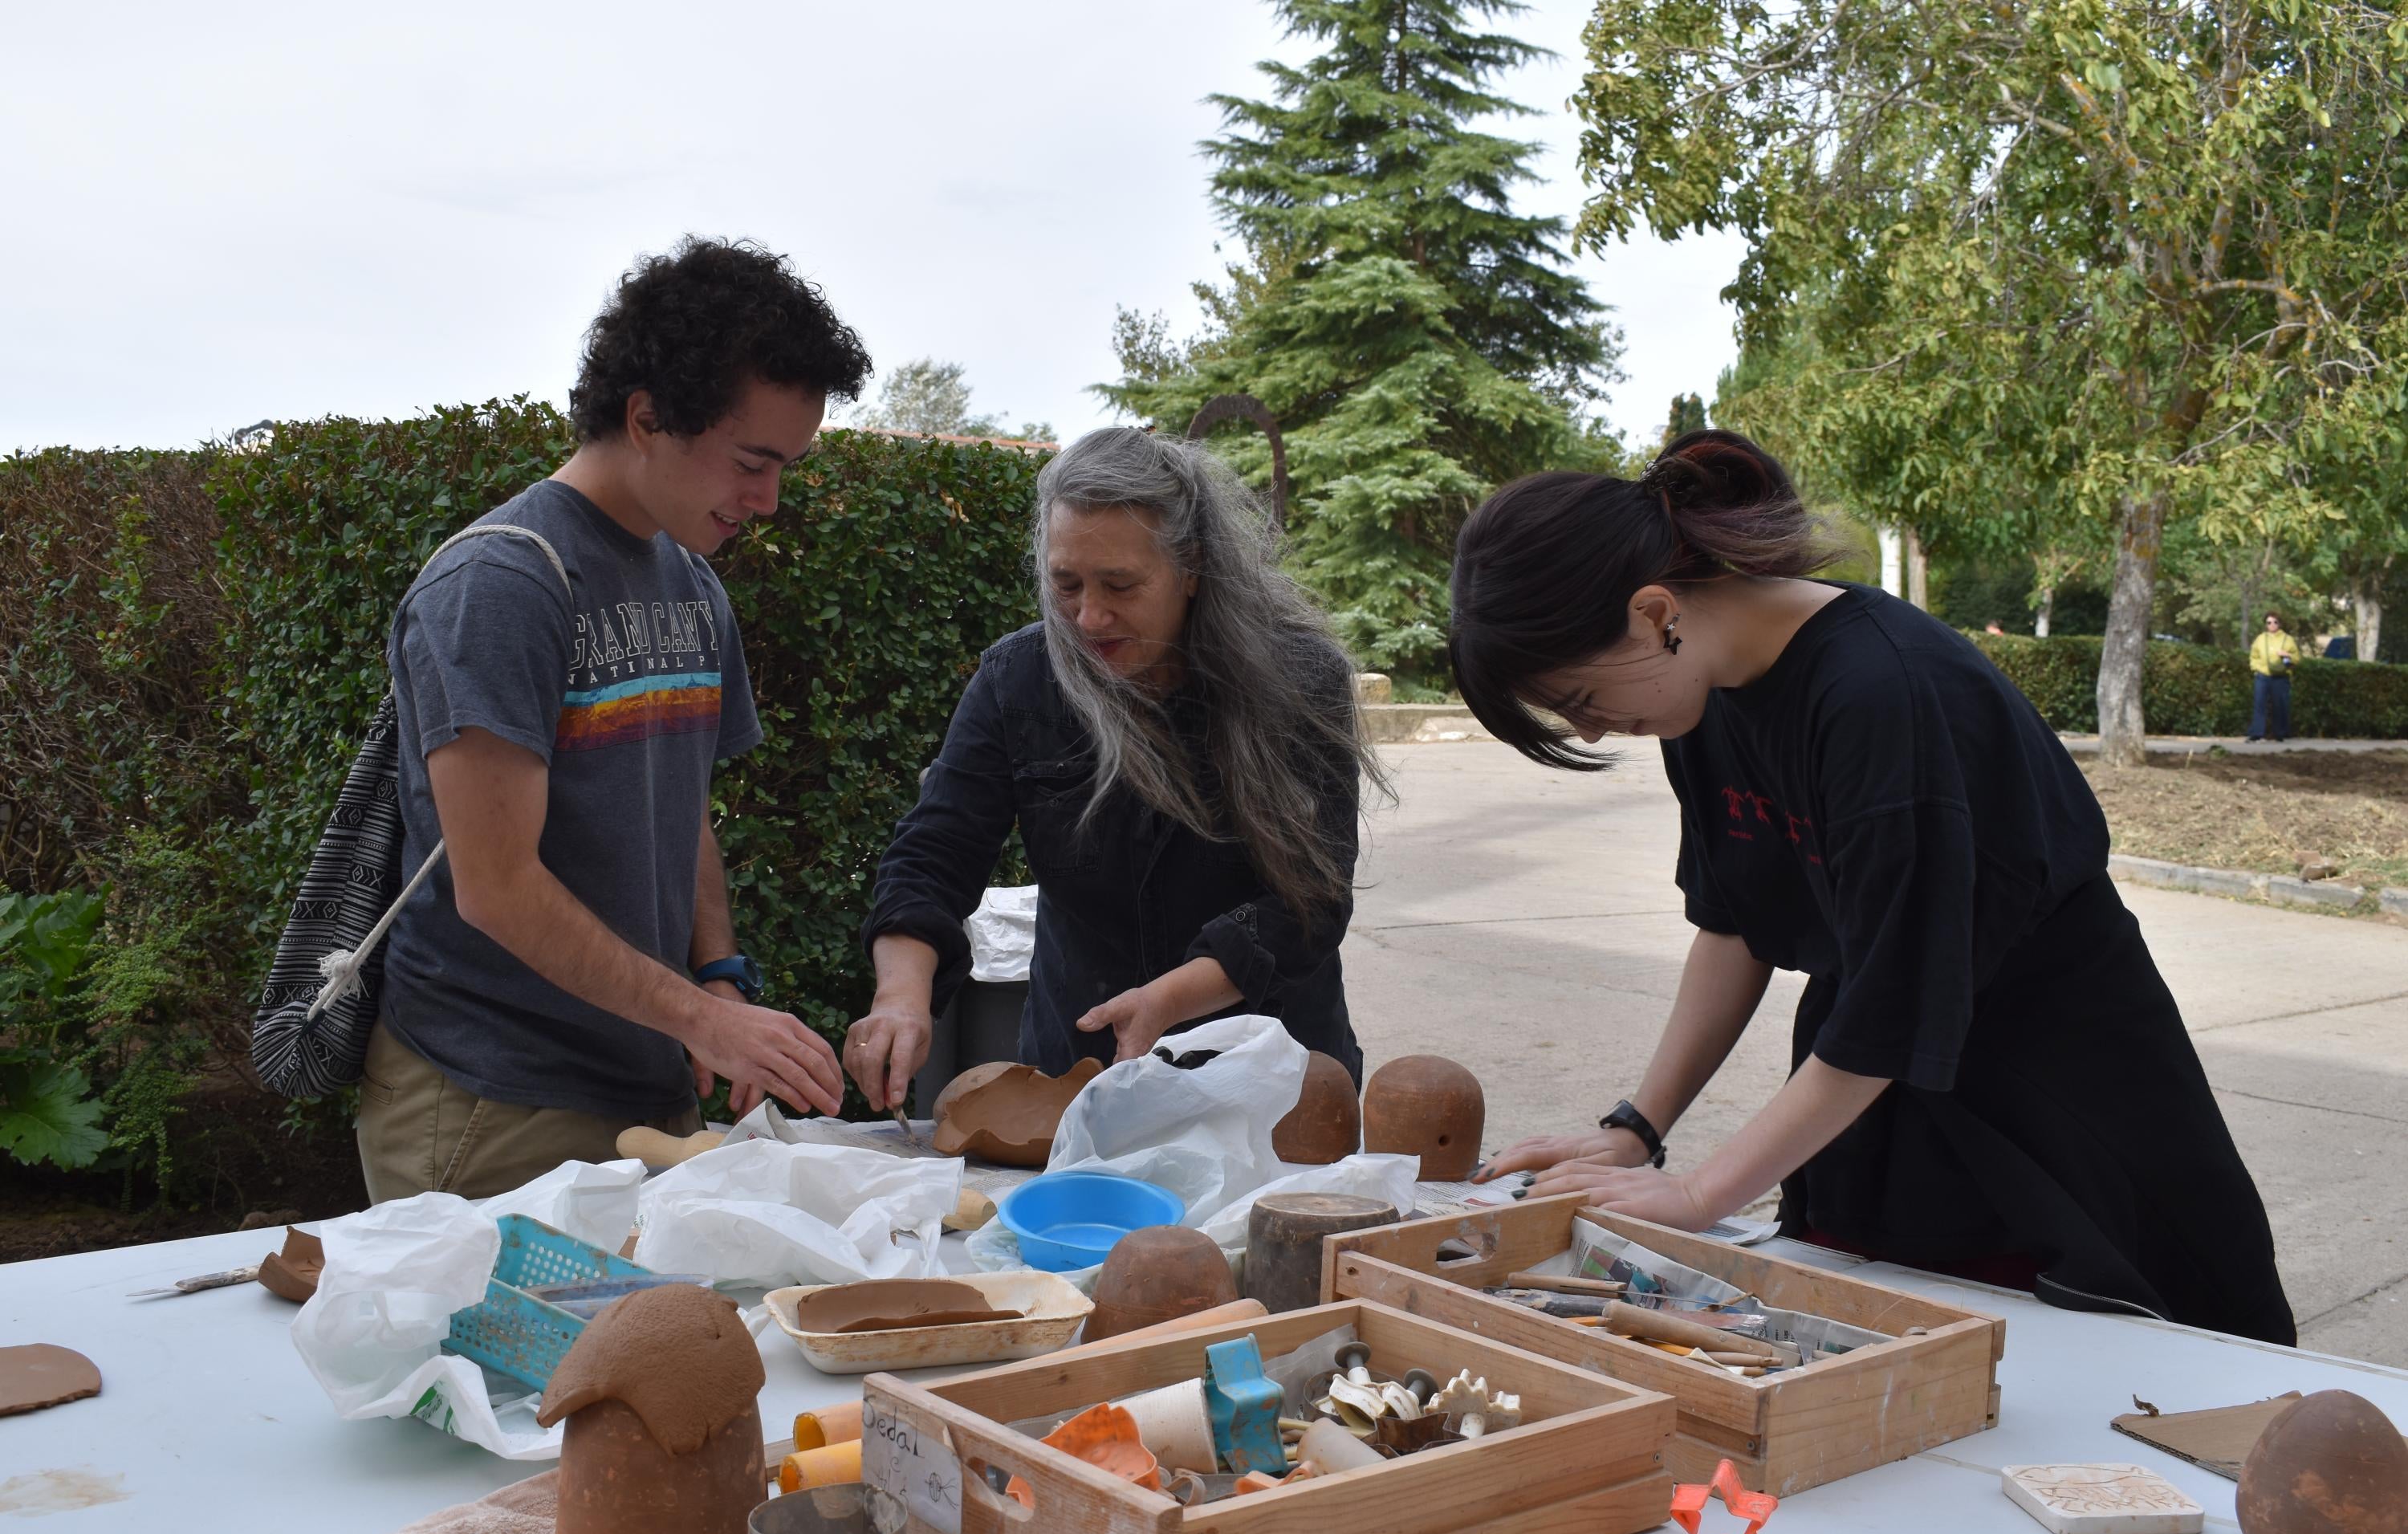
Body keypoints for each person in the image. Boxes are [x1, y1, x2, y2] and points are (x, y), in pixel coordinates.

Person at [1450, 429, 2294, 1344]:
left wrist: (1701, 1192)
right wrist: (1635, 1128)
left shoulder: (1879, 690)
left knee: (2076, 1383)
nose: (1594, 726)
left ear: (1656, 610)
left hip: (2050, 1097)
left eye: (1578, 698)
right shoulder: (1700, 695)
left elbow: (1900, 1000)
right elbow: (1736, 925)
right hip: (1873, 1095)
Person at [360, 238, 872, 1204]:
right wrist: (702, 1021)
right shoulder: (499, 584)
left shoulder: (691, 582)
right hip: (493, 1103)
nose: (768, 500)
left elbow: (680, 811)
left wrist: (716, 978)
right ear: (646, 418)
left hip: (646, 1080)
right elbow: (496, 888)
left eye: (787, 466)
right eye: (753, 462)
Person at [845, 428, 1387, 1109]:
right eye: (1064, 584)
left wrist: (1167, 1000)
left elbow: (1311, 899)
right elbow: (934, 853)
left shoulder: (1300, 679)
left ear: (1193, 569)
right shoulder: (1018, 681)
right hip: (1080, 1073)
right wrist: (901, 995)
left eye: (1121, 585)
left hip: (1271, 1077)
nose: (1088, 616)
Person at [2248, 612, 2301, 741]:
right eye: (2269, 622)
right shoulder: (2260, 638)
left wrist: (2287, 655)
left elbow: (2297, 658)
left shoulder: (2287, 639)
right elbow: (2253, 655)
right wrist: (2255, 668)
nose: (2272, 625)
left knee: (2280, 705)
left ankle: (2280, 733)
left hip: (2280, 676)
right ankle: (2257, 733)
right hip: (2263, 675)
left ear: (2280, 623)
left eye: (2275, 622)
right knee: (2259, 704)